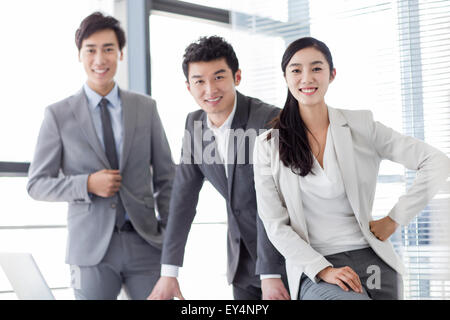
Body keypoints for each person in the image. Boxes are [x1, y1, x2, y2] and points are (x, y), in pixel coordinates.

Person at [253, 36, 450, 300]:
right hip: (318, 266)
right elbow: (275, 225)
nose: (307, 78)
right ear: (286, 76)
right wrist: (322, 269)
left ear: (332, 75)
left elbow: (436, 162)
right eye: (296, 70)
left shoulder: (361, 125)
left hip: (374, 261)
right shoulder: (268, 146)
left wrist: (394, 219)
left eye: (316, 68)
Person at [26, 12, 175, 300]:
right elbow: (37, 184)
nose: (99, 59)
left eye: (108, 49)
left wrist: (169, 238)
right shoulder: (58, 115)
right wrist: (86, 184)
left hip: (146, 243)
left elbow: (167, 178)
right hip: (90, 251)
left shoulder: (146, 108)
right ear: (79, 55)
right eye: (90, 50)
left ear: (120, 53)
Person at [148, 36, 289, 300]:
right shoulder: (195, 124)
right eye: (199, 81)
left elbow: (275, 200)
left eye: (219, 77)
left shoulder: (269, 121)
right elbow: (182, 201)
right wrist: (169, 272)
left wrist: (270, 272)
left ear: (237, 76)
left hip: (284, 259)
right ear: (188, 87)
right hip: (242, 264)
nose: (210, 89)